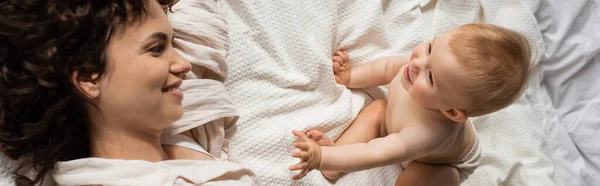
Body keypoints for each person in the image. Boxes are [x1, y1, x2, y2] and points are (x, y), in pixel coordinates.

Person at [0, 0, 254, 185]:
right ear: (88, 77)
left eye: (172, 42)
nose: (182, 63)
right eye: (156, 48)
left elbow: (201, 41)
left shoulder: (184, 131)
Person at [289, 23, 531, 185]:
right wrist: (351, 77)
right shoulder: (419, 66)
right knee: (377, 110)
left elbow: (376, 152)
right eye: (430, 47)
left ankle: (329, 159)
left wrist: (319, 158)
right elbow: (385, 69)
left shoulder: (427, 134)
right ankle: (336, 157)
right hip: (397, 124)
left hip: (443, 163)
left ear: (450, 111)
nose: (417, 63)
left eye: (431, 77)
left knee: (412, 181)